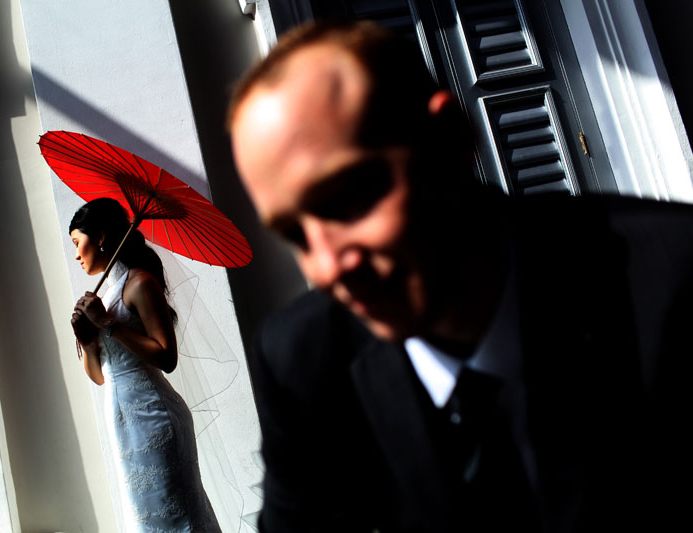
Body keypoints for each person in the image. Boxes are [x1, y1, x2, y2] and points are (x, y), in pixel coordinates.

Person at [228, 21, 692, 532]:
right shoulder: (304, 360)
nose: (330, 266)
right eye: (294, 235)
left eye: (348, 199)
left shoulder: (672, 276)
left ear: (450, 140)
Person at [69, 198, 220, 532]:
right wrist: (88, 339)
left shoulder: (140, 284)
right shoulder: (105, 296)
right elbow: (100, 378)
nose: (77, 255)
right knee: (145, 518)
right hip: (123, 421)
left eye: (78, 243)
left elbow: (167, 357)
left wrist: (107, 325)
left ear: (102, 237)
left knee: (174, 515)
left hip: (154, 417)